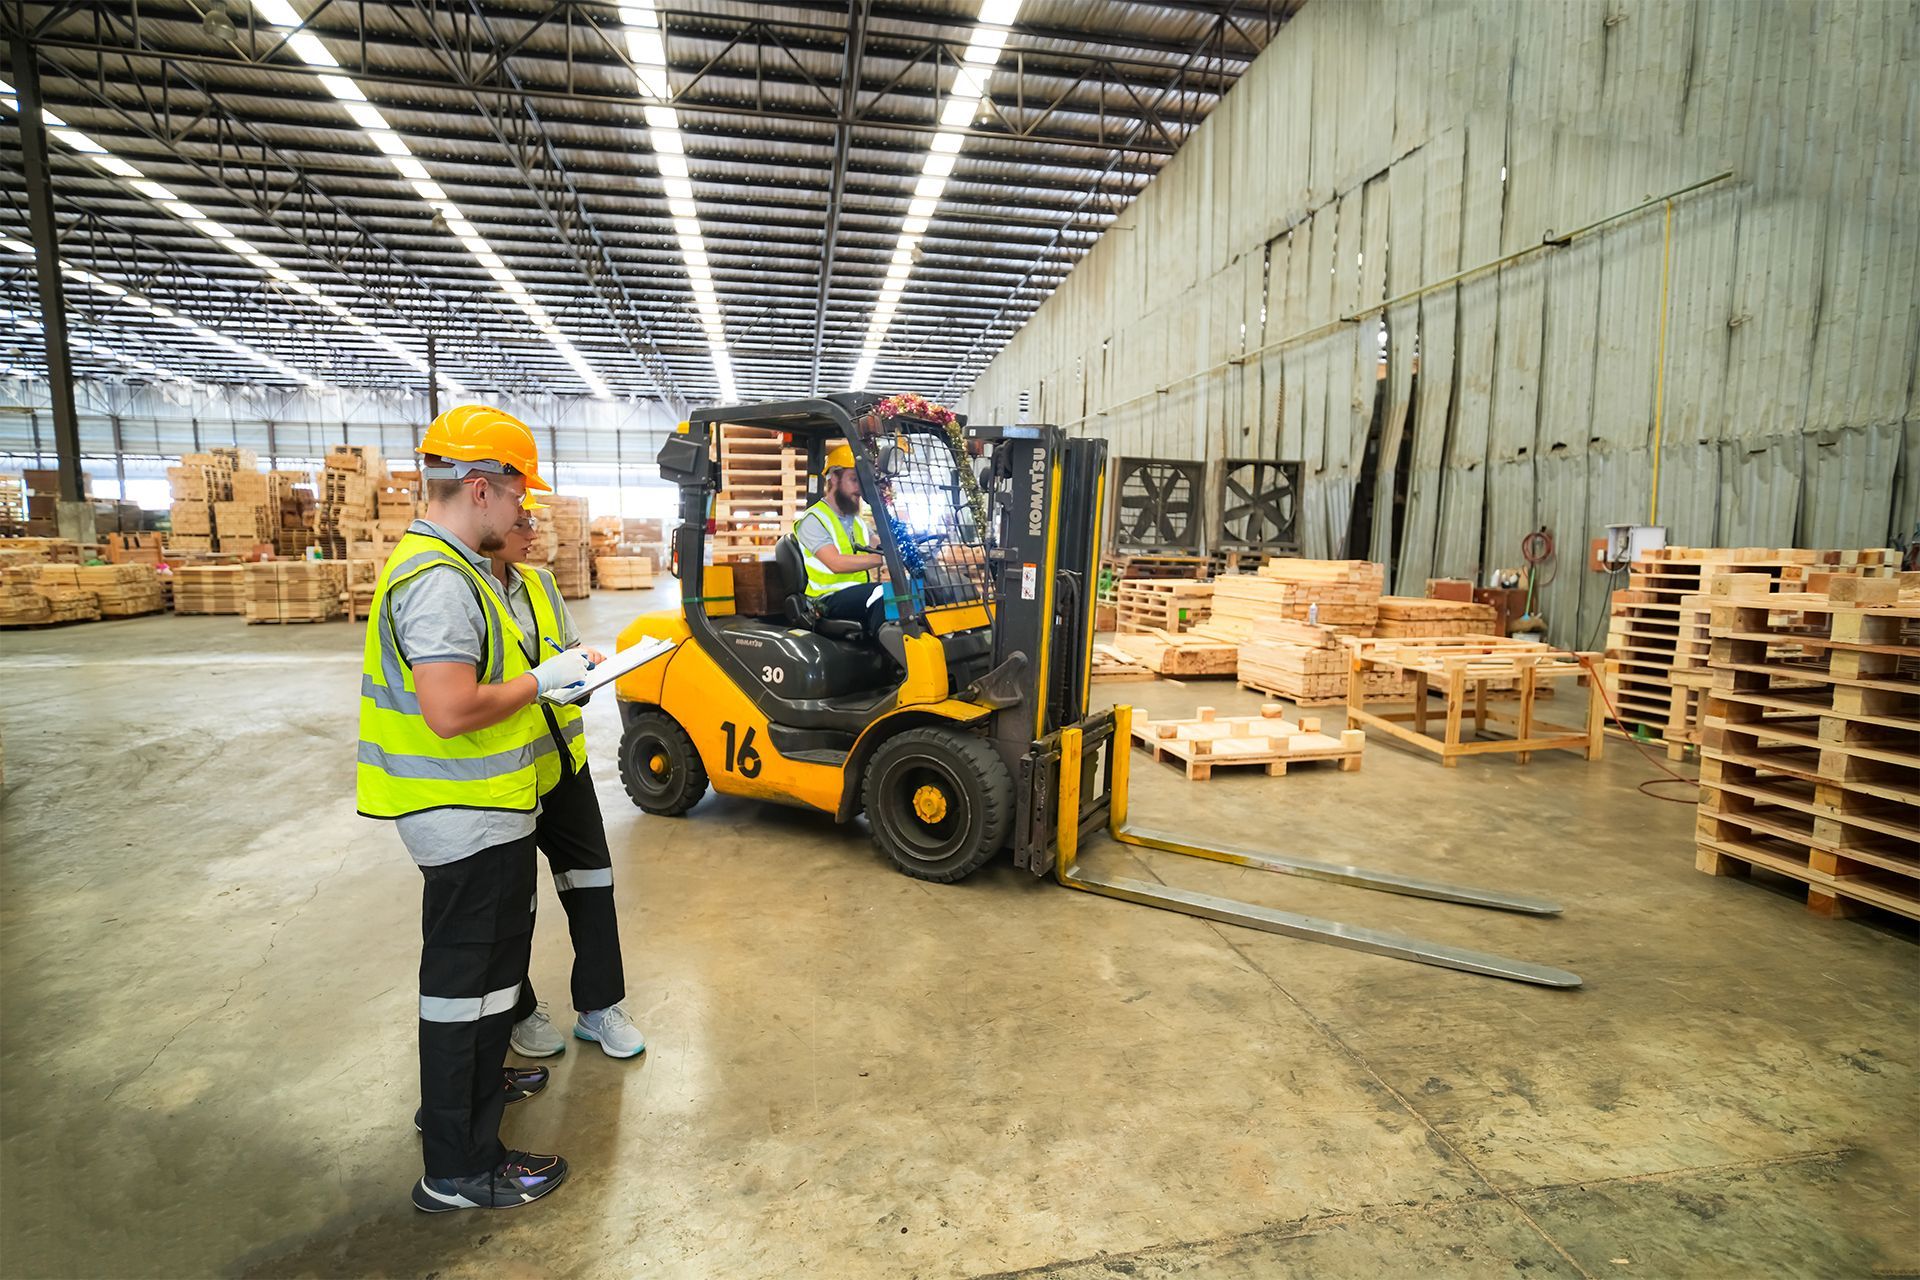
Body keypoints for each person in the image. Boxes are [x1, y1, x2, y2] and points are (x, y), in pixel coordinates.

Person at [357, 404, 598, 1214]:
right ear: (479, 487)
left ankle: (468, 1088)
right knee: (471, 982)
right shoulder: (439, 580)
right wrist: (546, 681)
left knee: (490, 977)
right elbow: (451, 709)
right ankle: (459, 1167)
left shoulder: (457, 567)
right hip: (463, 810)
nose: (523, 509)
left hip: (483, 806)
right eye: (516, 492)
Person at [488, 498, 644, 1064]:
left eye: (533, 521)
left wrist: (588, 665)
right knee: (512, 905)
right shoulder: (465, 590)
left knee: (593, 884)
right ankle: (519, 1010)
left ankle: (600, 1007)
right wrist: (541, 678)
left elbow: (569, 649)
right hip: (502, 775)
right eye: (522, 522)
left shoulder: (541, 585)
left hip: (563, 763)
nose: (533, 532)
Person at [793, 442, 886, 639]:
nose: (859, 489)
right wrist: (885, 559)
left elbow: (878, 545)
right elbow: (835, 563)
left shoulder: (857, 521)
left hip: (854, 594)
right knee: (882, 593)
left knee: (910, 593)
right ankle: (888, 656)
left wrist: (902, 545)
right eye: (854, 480)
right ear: (834, 478)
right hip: (826, 600)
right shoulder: (813, 520)